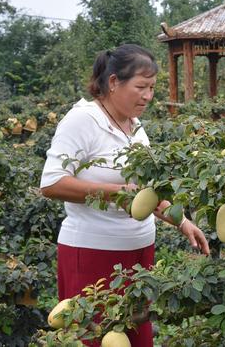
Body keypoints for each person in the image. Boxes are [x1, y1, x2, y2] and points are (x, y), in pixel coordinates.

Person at [40, 44, 210, 346]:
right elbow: (51, 183)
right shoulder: (83, 120)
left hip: (140, 253)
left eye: (152, 88)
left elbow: (145, 191)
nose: (148, 96)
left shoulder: (136, 127)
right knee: (93, 335)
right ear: (114, 82)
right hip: (92, 254)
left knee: (135, 335)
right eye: (141, 87)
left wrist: (182, 221)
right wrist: (115, 192)